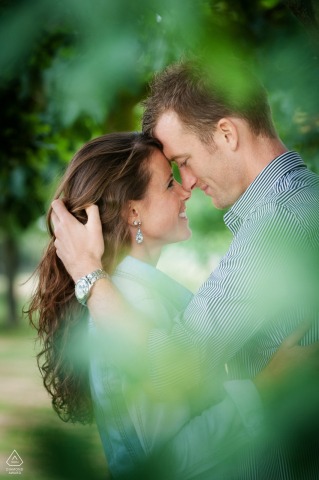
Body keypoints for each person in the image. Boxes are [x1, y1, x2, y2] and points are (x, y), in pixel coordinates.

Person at [51, 58, 319, 479]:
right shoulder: (292, 206)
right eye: (173, 175)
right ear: (132, 212)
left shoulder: (280, 221)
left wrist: (88, 275)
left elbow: (175, 366)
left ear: (227, 133)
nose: (188, 183)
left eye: (185, 160)